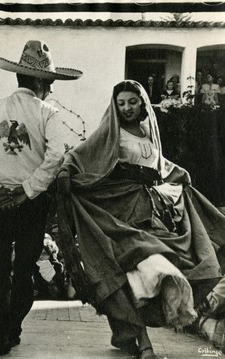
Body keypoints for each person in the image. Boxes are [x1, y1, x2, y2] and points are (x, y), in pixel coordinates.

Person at [56, 80, 225, 359]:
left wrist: (177, 172)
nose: (126, 108)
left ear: (143, 101)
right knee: (135, 266)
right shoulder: (111, 131)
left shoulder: (149, 131)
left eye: (132, 102)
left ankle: (128, 333)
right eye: (121, 103)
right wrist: (66, 171)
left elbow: (157, 164)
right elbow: (79, 154)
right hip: (120, 208)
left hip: (152, 209)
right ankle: (143, 342)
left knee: (155, 270)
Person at [0, 39, 82, 355]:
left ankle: (3, 328)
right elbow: (56, 155)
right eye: (50, 83)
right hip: (30, 204)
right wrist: (27, 191)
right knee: (25, 267)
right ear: (40, 81)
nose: (51, 90)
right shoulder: (47, 113)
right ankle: (11, 328)